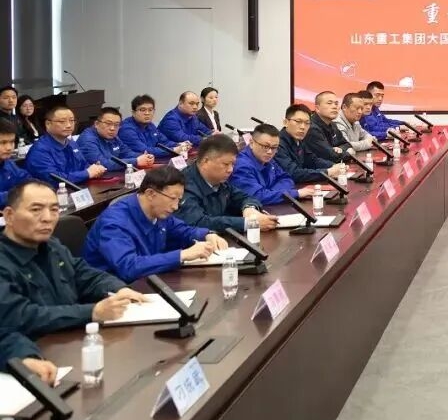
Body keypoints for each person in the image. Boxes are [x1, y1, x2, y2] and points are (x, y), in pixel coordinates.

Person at [0, 180, 147, 338]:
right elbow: (20, 317)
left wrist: (119, 289)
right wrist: (92, 312)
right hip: (32, 346)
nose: (47, 218)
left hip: (69, 336)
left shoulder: (52, 245)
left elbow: (83, 274)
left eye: (54, 209)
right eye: (36, 209)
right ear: (9, 215)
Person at [82, 166, 229, 283]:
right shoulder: (114, 223)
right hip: (113, 293)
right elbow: (129, 267)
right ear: (151, 194)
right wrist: (182, 255)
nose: (175, 207)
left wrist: (207, 235)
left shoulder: (159, 211)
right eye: (172, 198)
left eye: (179, 200)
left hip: (148, 280)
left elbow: (182, 230)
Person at [174, 135, 276, 234]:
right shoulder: (182, 185)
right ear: (205, 161)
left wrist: (249, 209)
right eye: (226, 164)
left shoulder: (219, 180)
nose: (230, 170)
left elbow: (244, 197)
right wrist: (250, 223)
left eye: (233, 164)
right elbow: (198, 223)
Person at [231, 124, 318, 204]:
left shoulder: (268, 160)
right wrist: (295, 193)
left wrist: (271, 193)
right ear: (251, 143)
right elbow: (257, 197)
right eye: (265, 146)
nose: (269, 152)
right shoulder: (241, 166)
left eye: (274, 147)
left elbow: (286, 178)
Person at [25, 105, 107, 186]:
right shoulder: (39, 151)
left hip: (79, 188)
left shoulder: (71, 143)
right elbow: (55, 179)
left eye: (71, 121)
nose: (69, 125)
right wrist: (87, 173)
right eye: (62, 121)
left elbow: (83, 165)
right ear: (48, 124)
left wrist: (95, 169)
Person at [275, 104, 347, 183]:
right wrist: (327, 172)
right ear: (285, 122)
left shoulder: (299, 140)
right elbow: (293, 173)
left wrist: (334, 166)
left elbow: (312, 160)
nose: (303, 127)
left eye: (307, 123)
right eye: (298, 121)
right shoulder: (277, 144)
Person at [75, 107, 155, 171]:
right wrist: (136, 161)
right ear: (96, 124)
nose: (112, 128)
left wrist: (144, 157)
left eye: (116, 125)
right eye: (108, 124)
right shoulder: (87, 140)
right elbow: (103, 164)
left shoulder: (113, 136)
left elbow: (126, 153)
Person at [119, 95, 185, 160]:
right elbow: (144, 150)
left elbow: (164, 142)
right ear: (133, 113)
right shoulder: (126, 129)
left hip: (152, 160)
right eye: (142, 110)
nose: (147, 113)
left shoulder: (150, 125)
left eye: (150, 110)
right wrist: (172, 150)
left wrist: (179, 145)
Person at [305, 91, 351, 162]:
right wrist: (349, 154)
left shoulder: (332, 124)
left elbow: (346, 144)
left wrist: (340, 149)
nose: (334, 107)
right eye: (329, 103)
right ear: (317, 108)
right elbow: (331, 156)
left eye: (336, 104)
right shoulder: (312, 128)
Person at [0, 121, 31, 206]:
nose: (9, 148)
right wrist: (19, 194)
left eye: (12, 142)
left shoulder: (8, 163)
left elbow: (26, 179)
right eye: (3, 143)